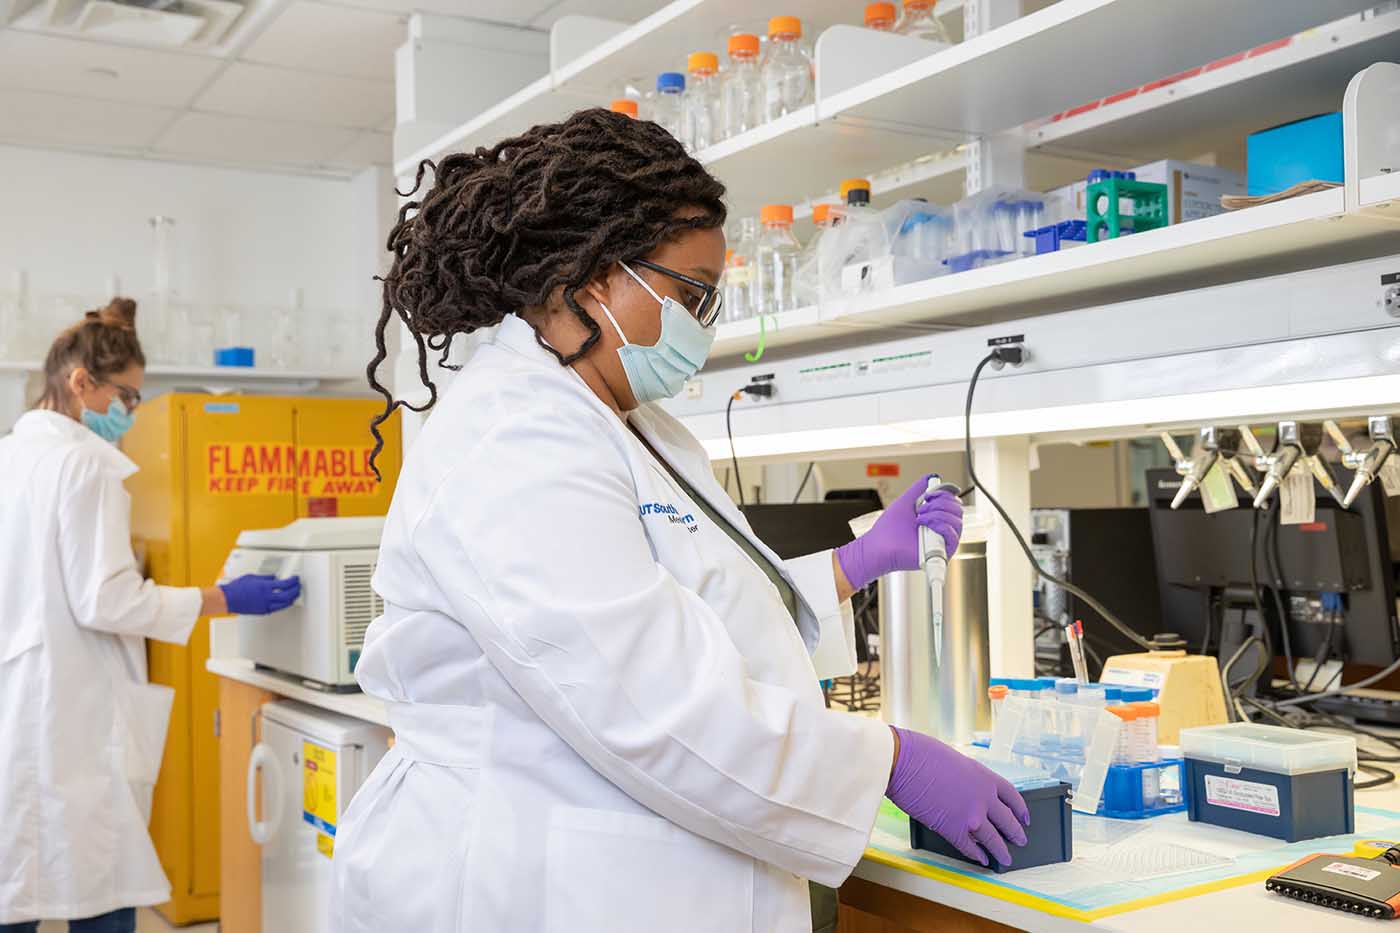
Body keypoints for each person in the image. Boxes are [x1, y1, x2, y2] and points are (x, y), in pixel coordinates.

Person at [331, 110, 1028, 933]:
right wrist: (885, 758)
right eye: (692, 292)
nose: (707, 322)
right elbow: (648, 699)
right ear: (596, 277)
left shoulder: (636, 426)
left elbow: (700, 606)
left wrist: (856, 562)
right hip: (527, 879)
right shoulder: (513, 435)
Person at [0, 299, 302, 933]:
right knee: (102, 879)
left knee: (21, 881)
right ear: (81, 382)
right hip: (71, 710)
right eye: (127, 398)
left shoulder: (10, 458)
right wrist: (222, 598)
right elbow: (104, 600)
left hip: (23, 698)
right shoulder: (85, 462)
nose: (130, 414)